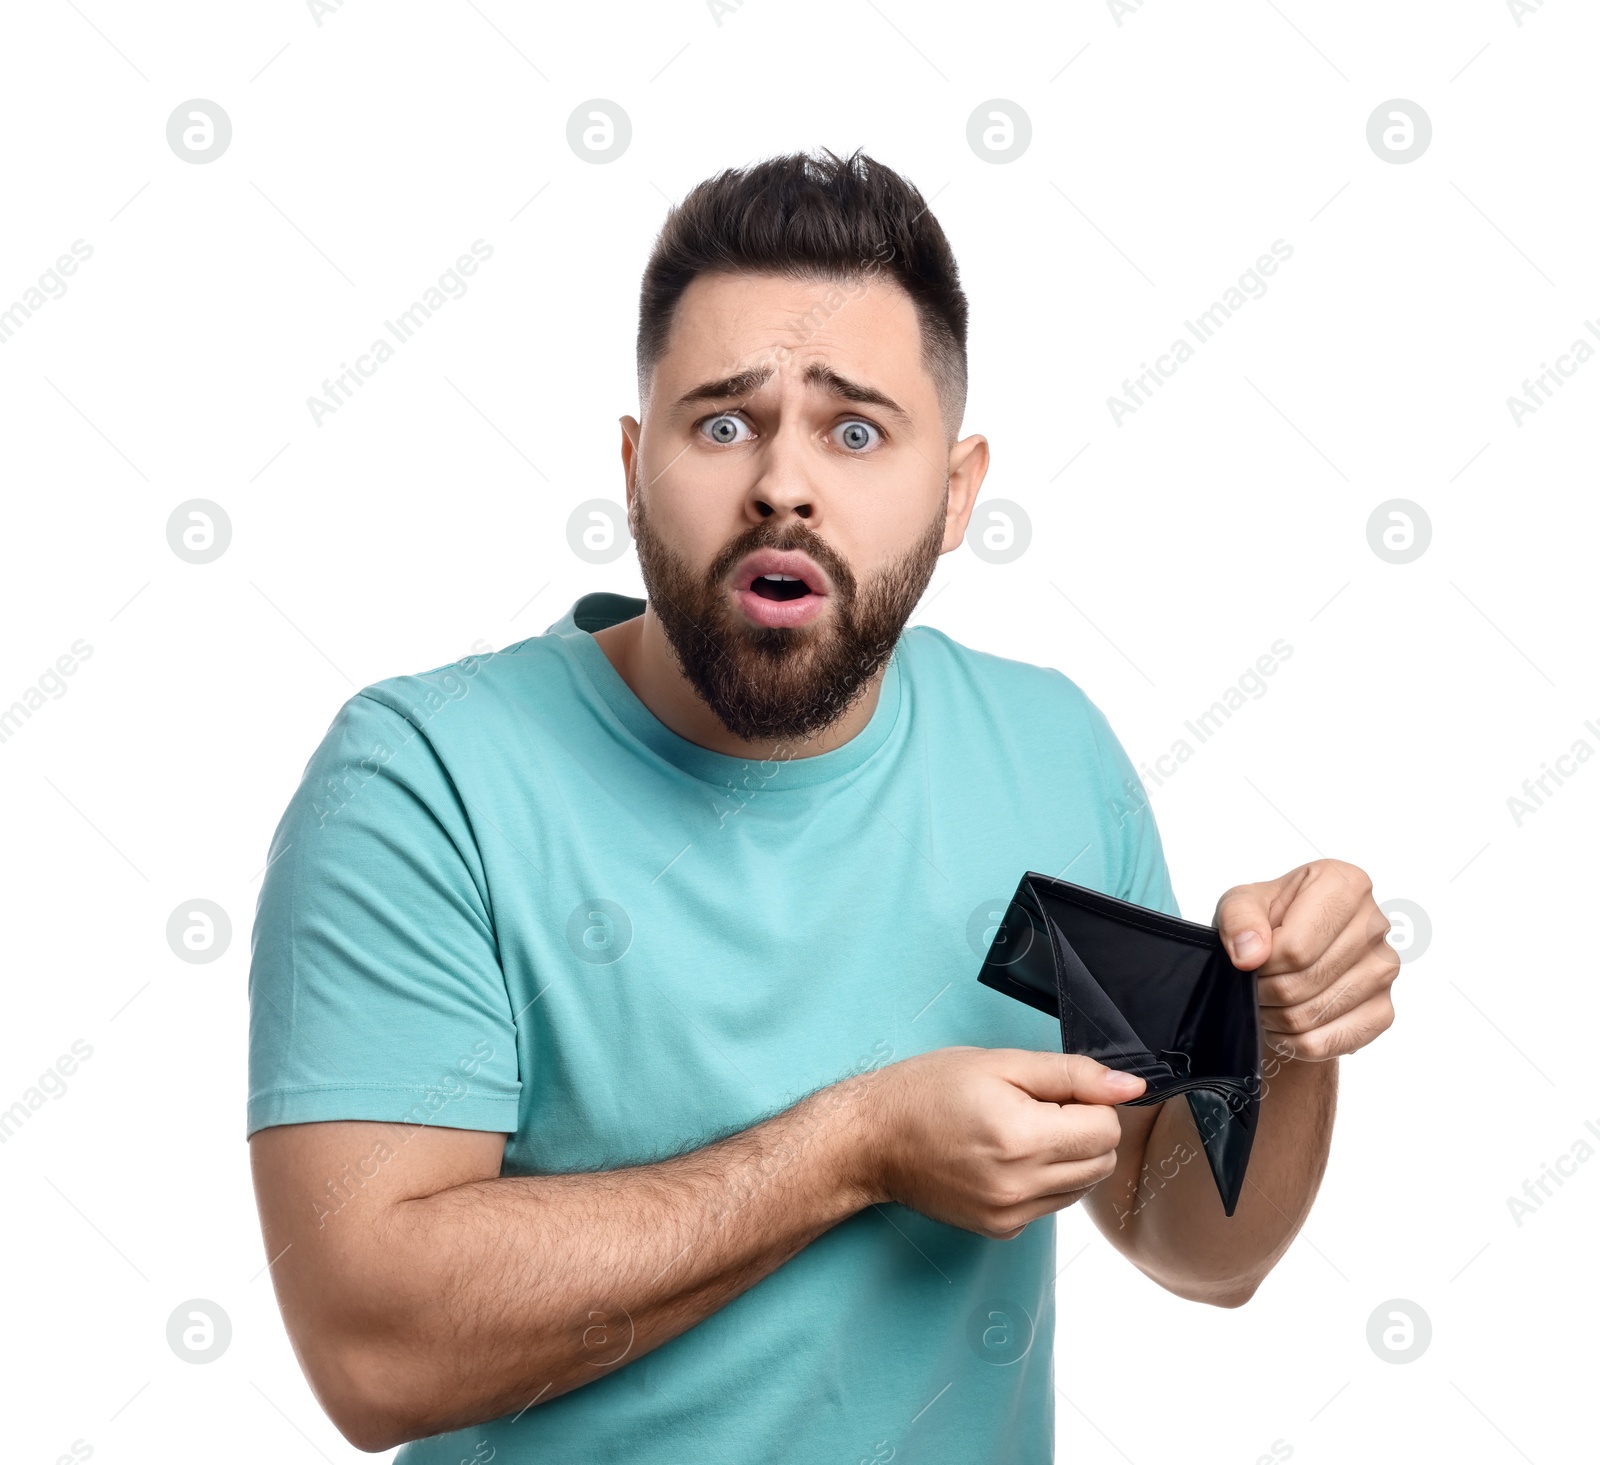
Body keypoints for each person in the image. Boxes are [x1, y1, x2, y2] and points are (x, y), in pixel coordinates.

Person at [247, 148, 1400, 1462]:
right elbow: (371, 1351)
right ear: (634, 467)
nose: (783, 484)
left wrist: (1284, 1036)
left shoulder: (1049, 751)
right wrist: (854, 1148)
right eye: (724, 422)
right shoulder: (423, 779)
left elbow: (1197, 1243)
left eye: (856, 430)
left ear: (957, 491)